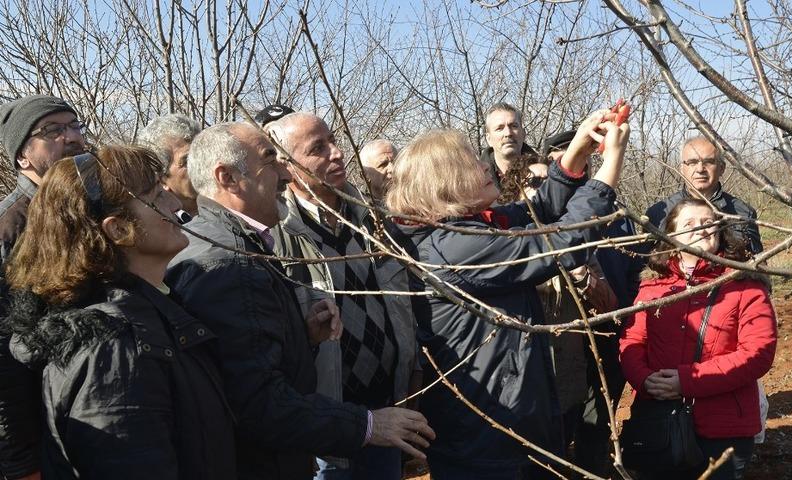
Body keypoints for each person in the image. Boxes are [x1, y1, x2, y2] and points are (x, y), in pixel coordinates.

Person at [166, 122, 434, 480]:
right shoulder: (227, 264)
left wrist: (301, 336)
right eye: (270, 159)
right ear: (227, 177)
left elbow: (247, 359)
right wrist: (366, 426)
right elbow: (258, 403)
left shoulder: (246, 246)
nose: (282, 172)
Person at [386, 109, 630, 479]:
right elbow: (562, 244)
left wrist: (578, 151)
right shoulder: (456, 248)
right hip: (490, 436)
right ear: (445, 184)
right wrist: (610, 166)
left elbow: (538, 208)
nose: (485, 167)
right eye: (472, 164)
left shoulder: (463, 230)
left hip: (504, 420)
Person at [4, 145, 236, 478]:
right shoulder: (113, 349)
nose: (175, 203)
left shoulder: (147, 312)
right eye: (156, 196)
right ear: (117, 229)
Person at [266, 113, 420, 480]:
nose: (337, 154)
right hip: (327, 422)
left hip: (387, 406)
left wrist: (412, 371)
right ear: (286, 165)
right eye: (318, 148)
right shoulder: (277, 236)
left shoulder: (373, 221)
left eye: (334, 141)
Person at [620, 198, 777, 479]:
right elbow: (632, 341)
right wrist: (644, 380)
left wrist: (688, 380)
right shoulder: (653, 287)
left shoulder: (745, 284)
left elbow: (758, 353)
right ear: (669, 234)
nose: (701, 229)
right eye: (689, 223)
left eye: (708, 223)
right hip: (659, 420)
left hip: (724, 428)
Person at [539, 128, 641, 475]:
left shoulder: (617, 217)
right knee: (558, 425)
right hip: (561, 345)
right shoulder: (541, 225)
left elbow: (635, 273)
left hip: (608, 335)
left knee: (598, 418)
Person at [0, 94, 86, 480]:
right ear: (22, 156)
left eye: (74, 126)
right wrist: (21, 464)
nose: (70, 137)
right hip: (49, 437)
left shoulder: (92, 207)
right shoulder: (12, 228)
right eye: (52, 131)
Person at [645, 136, 762, 255]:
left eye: (709, 162)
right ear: (682, 168)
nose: (700, 169)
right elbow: (648, 264)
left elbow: (756, 265)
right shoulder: (658, 214)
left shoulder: (742, 213)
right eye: (692, 162)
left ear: (722, 168)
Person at [138, 113, 202, 216]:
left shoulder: (232, 207)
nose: (202, 164)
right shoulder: (162, 229)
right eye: (188, 161)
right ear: (161, 179)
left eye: (202, 155)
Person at [480, 102, 542, 197]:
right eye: (499, 128)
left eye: (514, 126)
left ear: (523, 133)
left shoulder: (544, 174)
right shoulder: (476, 182)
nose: (508, 133)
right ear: (488, 139)